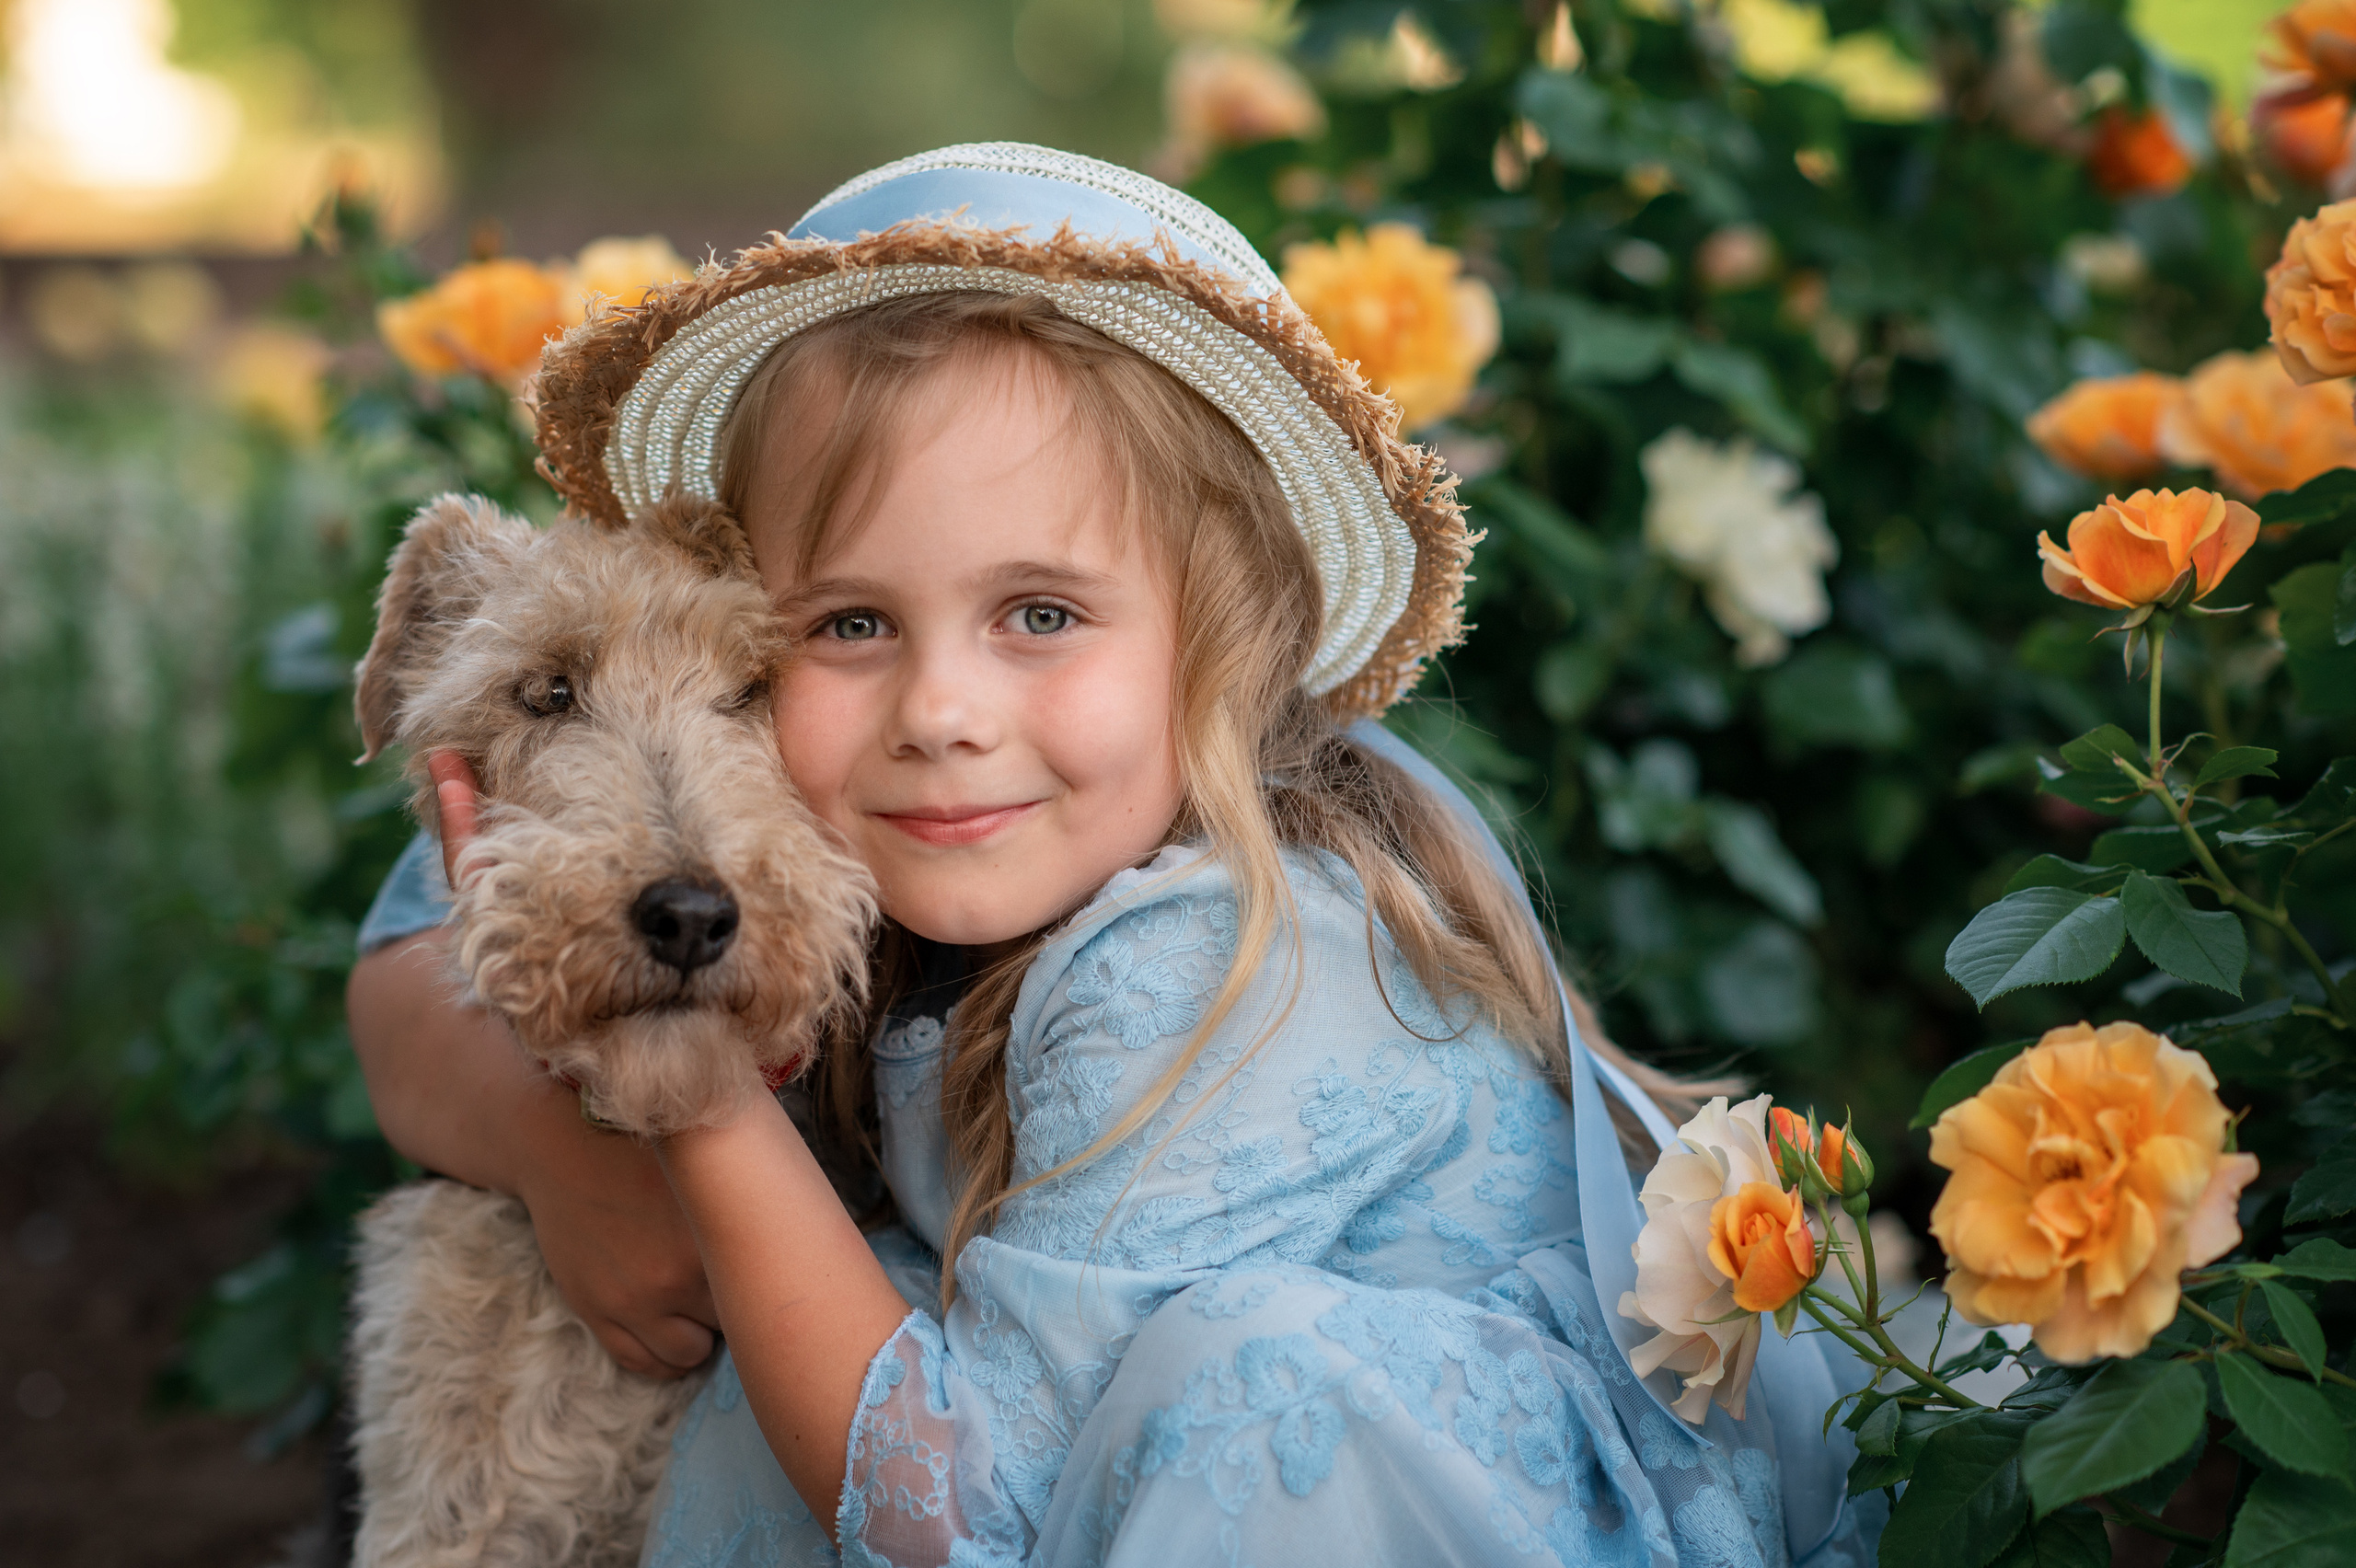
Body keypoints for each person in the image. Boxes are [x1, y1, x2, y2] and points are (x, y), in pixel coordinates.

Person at [347, 144, 1878, 1568]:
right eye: (849, 625)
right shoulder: (826, 822)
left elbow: (962, 1512)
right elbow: (417, 953)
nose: (941, 713)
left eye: (1042, 614)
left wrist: (697, 1116)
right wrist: (553, 1112)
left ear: (1223, 652)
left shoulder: (1206, 961)